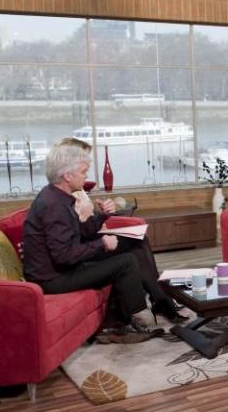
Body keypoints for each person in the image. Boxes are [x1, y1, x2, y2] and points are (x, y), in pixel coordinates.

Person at [23, 141, 171, 345]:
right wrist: (101, 244)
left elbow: (78, 232)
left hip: (62, 270)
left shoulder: (57, 197)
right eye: (83, 172)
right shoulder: (53, 205)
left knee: (130, 248)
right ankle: (140, 322)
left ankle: (138, 312)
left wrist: (101, 216)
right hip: (54, 279)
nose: (86, 176)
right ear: (67, 176)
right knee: (125, 262)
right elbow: (64, 255)